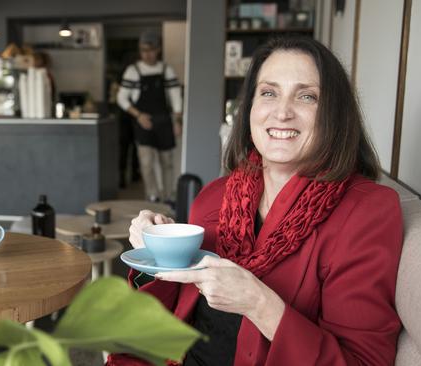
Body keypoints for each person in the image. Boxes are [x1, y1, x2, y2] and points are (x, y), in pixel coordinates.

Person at [108, 36, 403, 365]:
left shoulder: (367, 211)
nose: (282, 112)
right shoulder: (214, 197)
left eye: (306, 96)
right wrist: (157, 253)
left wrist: (261, 305)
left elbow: (363, 361)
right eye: (269, 92)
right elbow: (174, 309)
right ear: (249, 108)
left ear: (335, 114)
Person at [117, 30, 183, 203]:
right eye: (143, 50)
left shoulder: (166, 69)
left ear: (158, 49)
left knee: (167, 162)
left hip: (164, 120)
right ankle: (152, 196)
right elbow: (121, 98)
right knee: (146, 163)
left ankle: (169, 197)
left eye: (150, 50)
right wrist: (138, 115)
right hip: (143, 121)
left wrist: (177, 120)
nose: (147, 54)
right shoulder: (133, 71)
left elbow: (175, 95)